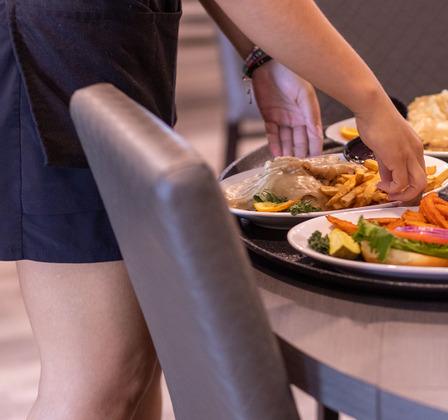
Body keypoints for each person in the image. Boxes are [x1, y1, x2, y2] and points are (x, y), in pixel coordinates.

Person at [3, 0, 426, 418]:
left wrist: (261, 55)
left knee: (140, 370)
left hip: (104, 42)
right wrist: (372, 105)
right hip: (60, 53)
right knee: (100, 381)